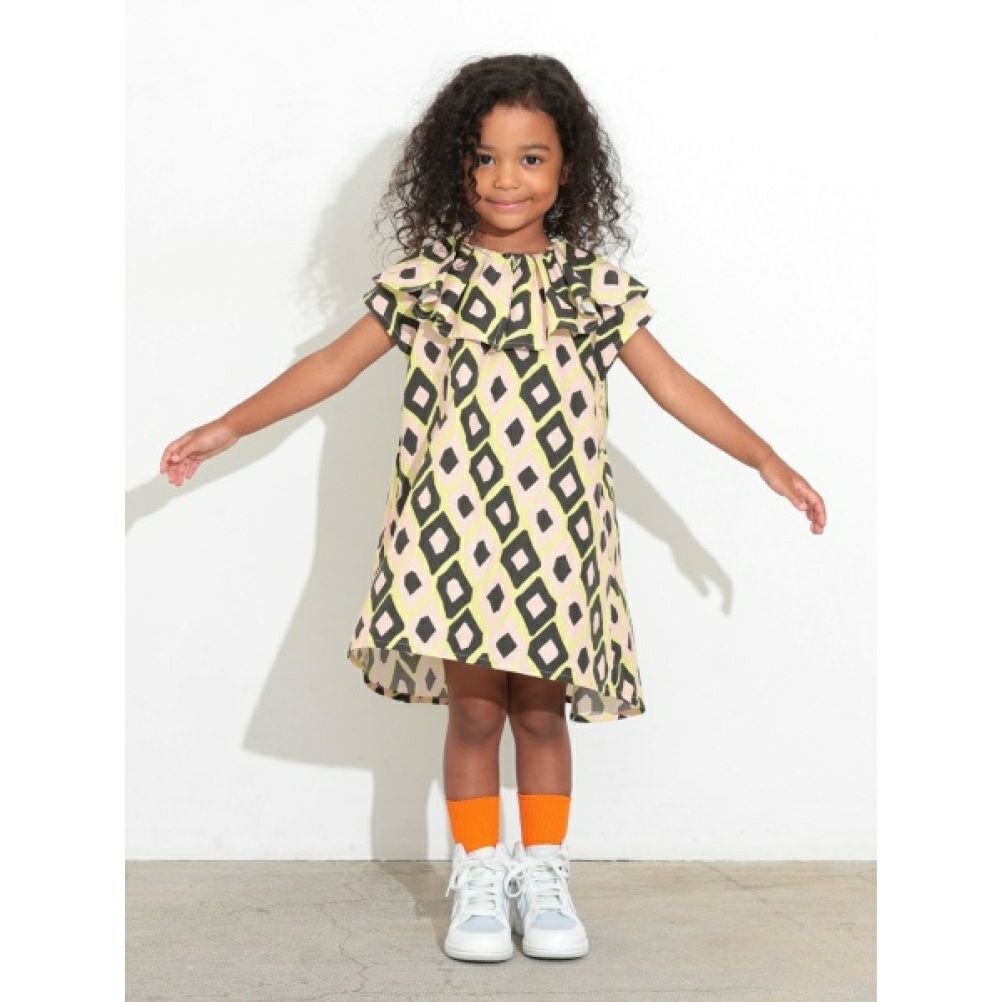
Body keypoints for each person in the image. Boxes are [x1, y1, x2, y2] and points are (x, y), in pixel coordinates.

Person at [159, 53, 827, 964]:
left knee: (541, 715)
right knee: (473, 714)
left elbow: (676, 387)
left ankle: (543, 875)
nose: (506, 179)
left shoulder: (593, 288)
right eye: (485, 157)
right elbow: (331, 365)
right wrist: (228, 427)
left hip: (556, 539)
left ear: (568, 168)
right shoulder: (428, 281)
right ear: (456, 166)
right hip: (451, 531)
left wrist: (765, 460)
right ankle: (479, 876)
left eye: (531, 158)